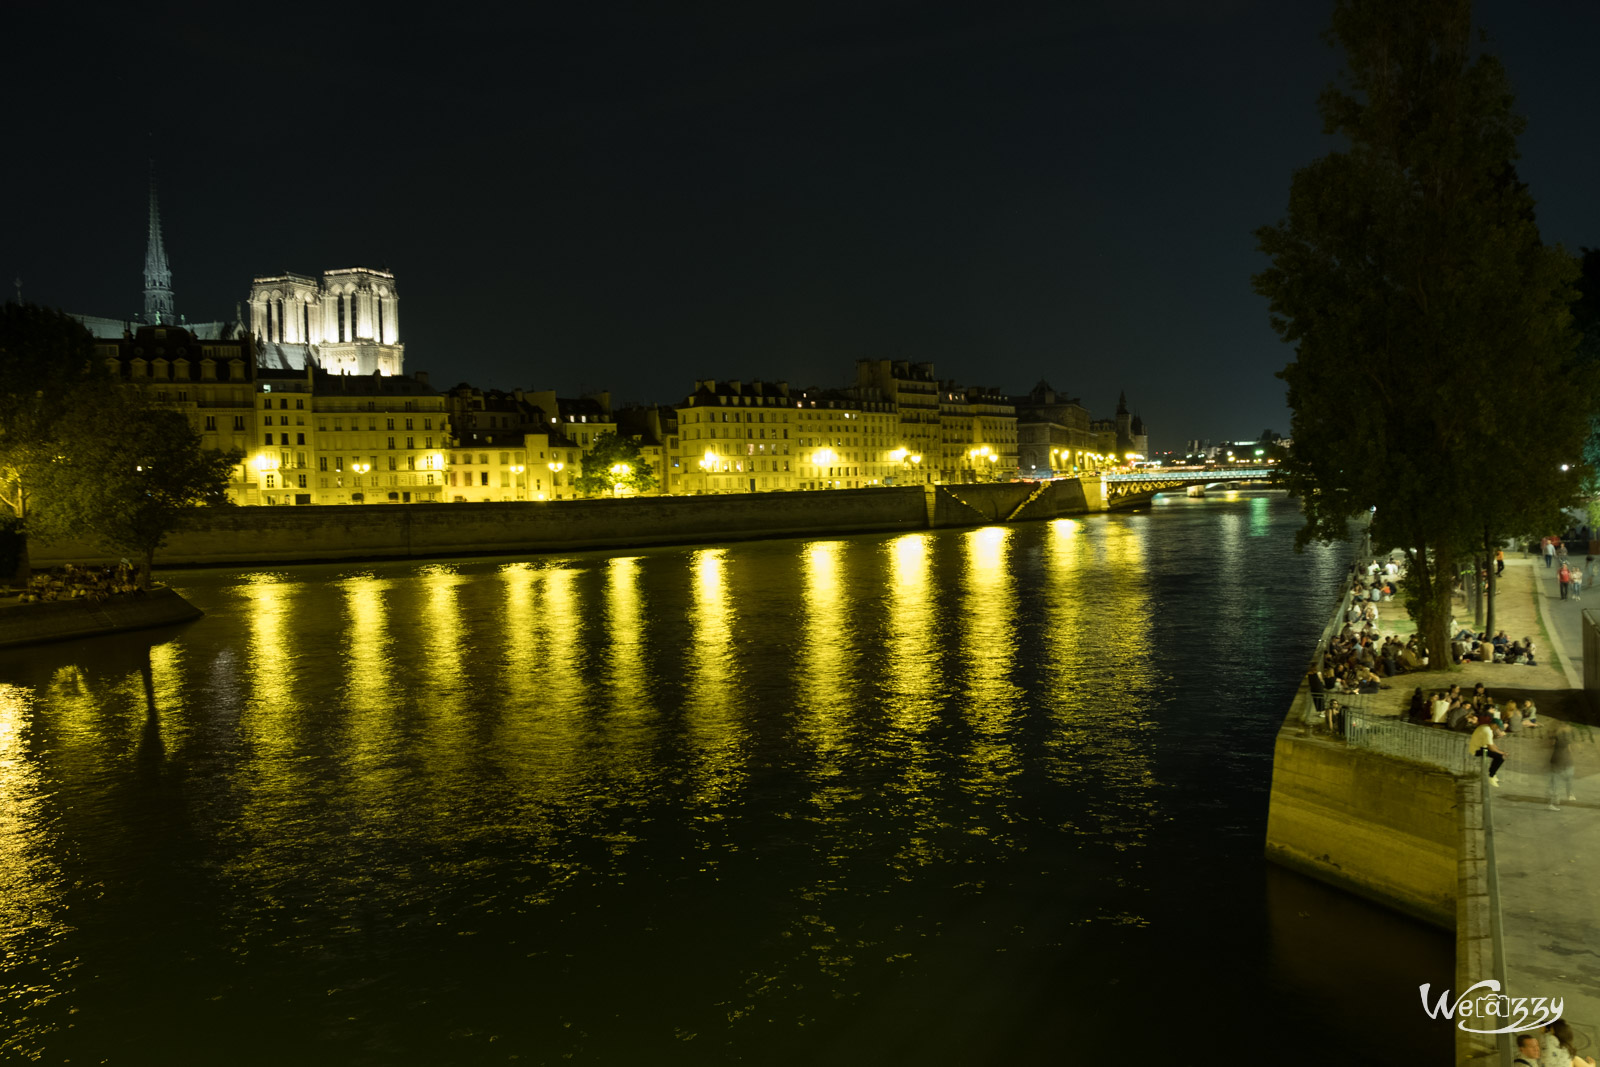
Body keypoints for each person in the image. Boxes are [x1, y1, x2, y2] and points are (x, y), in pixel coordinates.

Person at [1548, 725, 1577, 811]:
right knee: (1565, 777)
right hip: (1563, 760)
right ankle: (1566, 795)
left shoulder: (1556, 739)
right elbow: (1569, 750)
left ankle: (1554, 801)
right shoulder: (1566, 741)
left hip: (1556, 759)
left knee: (1555, 781)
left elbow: (1552, 745)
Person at [1471, 718, 1506, 785]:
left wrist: (1498, 749)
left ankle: (1492, 773)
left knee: (1499, 755)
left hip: (1480, 746)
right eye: (1497, 727)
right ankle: (1491, 776)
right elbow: (1491, 747)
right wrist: (1501, 752)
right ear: (1494, 725)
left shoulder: (1486, 728)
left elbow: (1490, 741)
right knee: (1500, 757)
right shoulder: (1487, 731)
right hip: (1477, 750)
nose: (1497, 729)